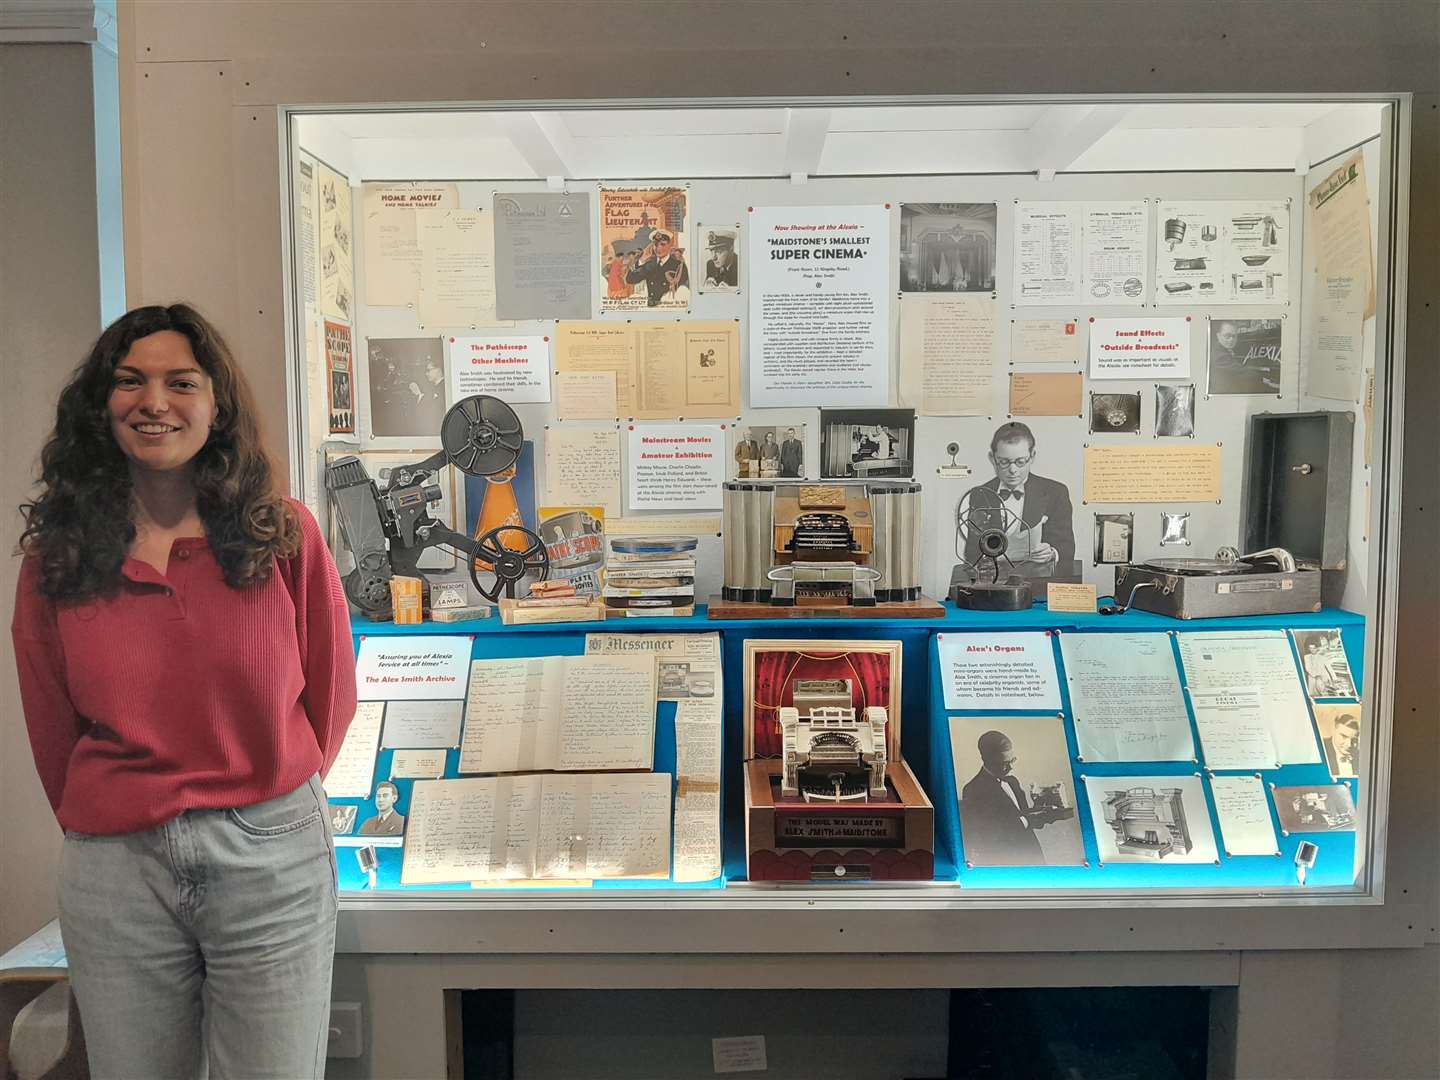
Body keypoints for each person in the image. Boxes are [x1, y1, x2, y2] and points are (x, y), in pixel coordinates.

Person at [12, 303, 357, 1079]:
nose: (154, 402)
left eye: (180, 382)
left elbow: (331, 698)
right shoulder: (58, 559)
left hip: (271, 856)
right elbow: (50, 725)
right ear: (101, 406)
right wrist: (114, 813)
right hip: (117, 869)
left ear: (216, 403)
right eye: (130, 382)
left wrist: (259, 797)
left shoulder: (285, 536)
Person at [959, 421, 1076, 580]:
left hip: (1039, 584)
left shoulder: (1055, 492)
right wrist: (983, 559)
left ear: (1032, 456)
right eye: (1004, 462)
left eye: (1020, 462)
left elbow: (1066, 546)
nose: (1013, 470)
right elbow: (971, 552)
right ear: (992, 458)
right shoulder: (980, 494)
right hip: (996, 583)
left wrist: (1052, 553)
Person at [960, 731, 1066, 866]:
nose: (1011, 767)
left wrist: (1043, 810)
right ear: (985, 759)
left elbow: (1023, 815)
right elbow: (987, 834)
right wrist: (1028, 819)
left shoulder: (1013, 781)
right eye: (1003, 763)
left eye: (1012, 760)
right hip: (1006, 863)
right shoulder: (973, 789)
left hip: (1033, 856)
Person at [1209, 320, 1277, 394]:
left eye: (1234, 336)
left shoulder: (1222, 349)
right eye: (1227, 336)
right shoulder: (1219, 355)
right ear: (1218, 335)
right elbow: (1240, 371)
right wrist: (1262, 378)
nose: (1231, 339)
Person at [625, 229, 689, 307]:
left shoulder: (679, 266)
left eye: (662, 244)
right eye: (656, 244)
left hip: (670, 307)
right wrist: (641, 260)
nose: (658, 248)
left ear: (669, 245)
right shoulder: (649, 264)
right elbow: (630, 280)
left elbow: (683, 292)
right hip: (651, 308)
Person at [1323, 712, 1360, 778]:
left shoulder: (1360, 755)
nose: (1349, 744)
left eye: (1354, 739)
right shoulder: (1321, 748)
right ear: (1333, 730)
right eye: (1344, 736)